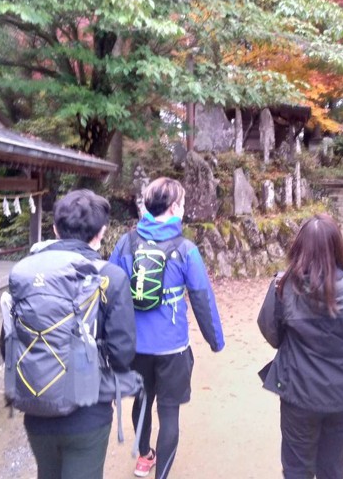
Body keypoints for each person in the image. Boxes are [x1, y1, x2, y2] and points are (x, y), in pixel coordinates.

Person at [10, 189, 136, 479]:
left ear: (55, 230)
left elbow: (8, 346)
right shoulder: (111, 277)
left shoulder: (26, 273)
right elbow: (122, 355)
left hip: (37, 408)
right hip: (89, 413)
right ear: (101, 233)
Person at [109, 177, 225, 478]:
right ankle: (161, 473)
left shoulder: (126, 243)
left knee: (142, 402)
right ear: (173, 207)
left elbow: (108, 291)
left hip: (135, 345)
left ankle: (144, 456)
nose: (184, 209)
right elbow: (202, 298)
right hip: (173, 347)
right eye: (182, 203)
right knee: (169, 411)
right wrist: (215, 340)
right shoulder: (186, 249)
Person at [257, 213, 343, 479]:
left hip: (299, 393)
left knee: (297, 469)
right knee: (332, 468)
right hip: (342, 393)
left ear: (299, 246)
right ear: (337, 246)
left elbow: (271, 332)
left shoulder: (282, 286)